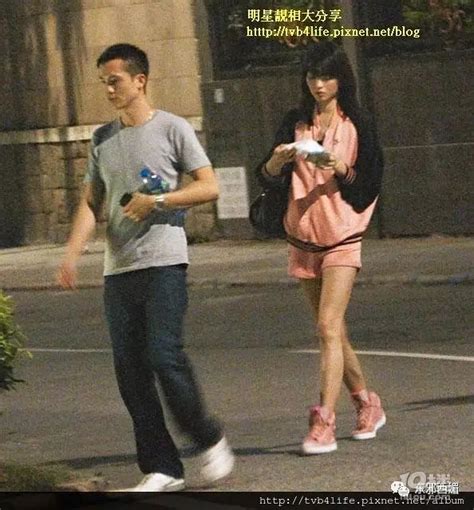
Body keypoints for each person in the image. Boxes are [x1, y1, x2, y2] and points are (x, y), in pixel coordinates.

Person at [56, 43, 234, 491]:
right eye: (104, 83)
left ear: (140, 80)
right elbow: (90, 204)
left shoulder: (173, 128)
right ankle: (162, 467)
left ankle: (208, 438)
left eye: (115, 81)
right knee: (131, 373)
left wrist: (158, 201)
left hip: (163, 263)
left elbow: (209, 186)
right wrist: (72, 254)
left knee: (163, 355)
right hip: (118, 270)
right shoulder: (102, 139)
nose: (109, 90)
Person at [257, 41, 385, 455]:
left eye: (327, 76)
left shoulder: (357, 123)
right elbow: (267, 176)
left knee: (328, 327)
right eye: (313, 76)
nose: (319, 85)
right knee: (334, 332)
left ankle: (324, 421)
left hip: (342, 235)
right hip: (302, 237)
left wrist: (339, 167)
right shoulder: (294, 122)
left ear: (341, 79)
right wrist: (277, 161)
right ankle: (367, 403)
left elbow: (370, 182)